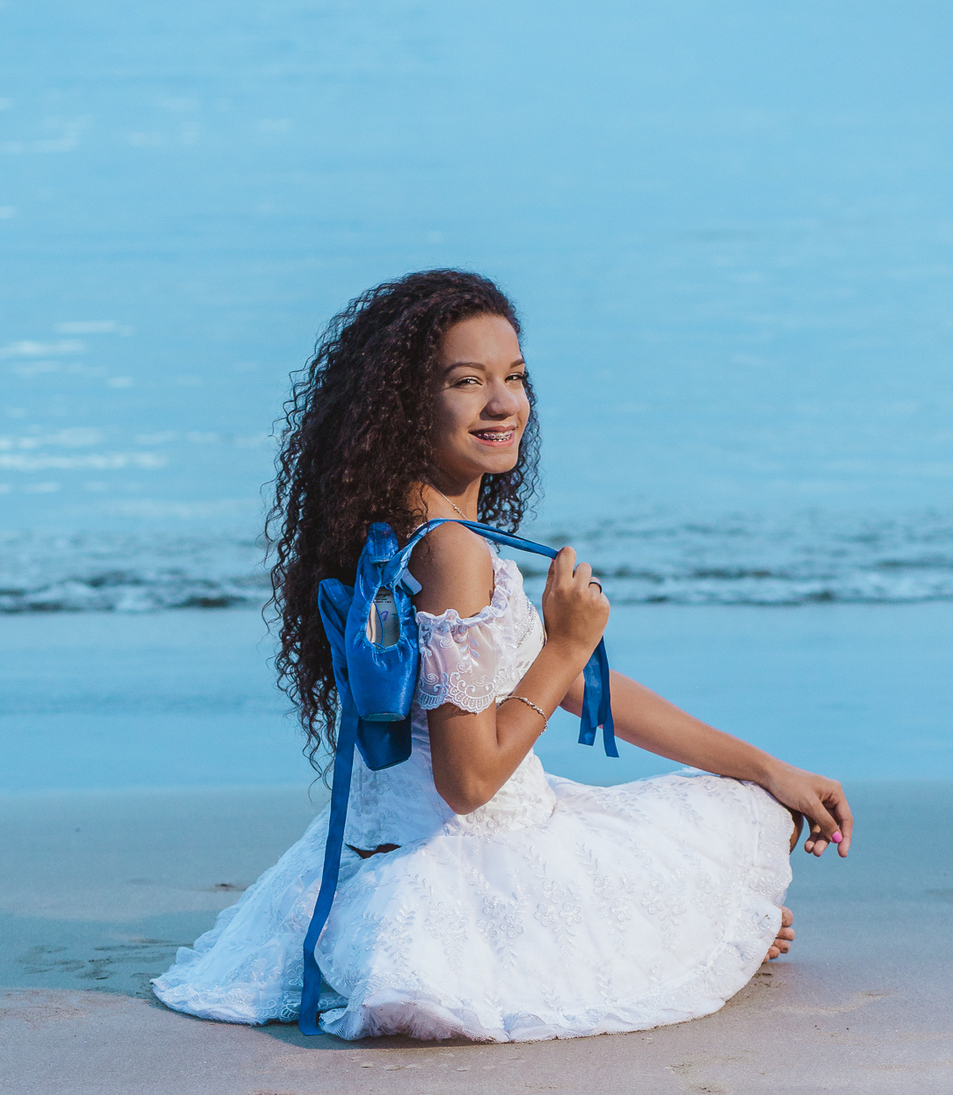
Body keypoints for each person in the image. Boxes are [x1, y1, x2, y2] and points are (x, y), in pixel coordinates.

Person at [153, 270, 852, 1042]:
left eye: (514, 377)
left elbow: (591, 694)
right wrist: (565, 645)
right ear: (405, 406)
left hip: (381, 846)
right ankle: (698, 936)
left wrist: (764, 764)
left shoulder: (400, 531)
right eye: (467, 381)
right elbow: (470, 782)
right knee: (744, 823)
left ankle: (706, 926)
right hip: (478, 861)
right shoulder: (454, 553)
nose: (504, 404)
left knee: (750, 797)